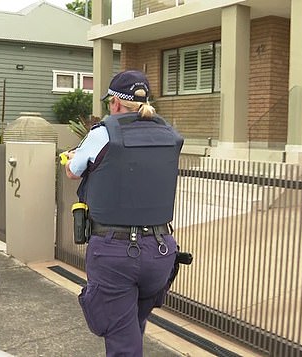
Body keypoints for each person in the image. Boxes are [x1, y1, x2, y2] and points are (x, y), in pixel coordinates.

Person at [63, 70, 184, 356]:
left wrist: (71, 158)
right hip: (161, 251)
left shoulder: (102, 133)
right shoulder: (170, 134)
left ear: (116, 103)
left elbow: (72, 171)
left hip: (114, 253)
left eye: (110, 103)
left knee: (123, 344)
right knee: (132, 328)